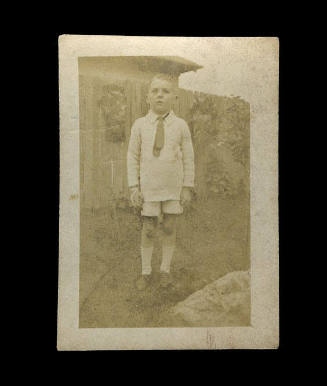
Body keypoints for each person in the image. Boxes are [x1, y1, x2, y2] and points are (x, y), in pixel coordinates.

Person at [127, 73, 194, 290]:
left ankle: (165, 270)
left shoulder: (181, 125)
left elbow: (189, 157)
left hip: (173, 187)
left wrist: (186, 187)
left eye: (165, 91)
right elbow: (132, 156)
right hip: (149, 188)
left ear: (174, 98)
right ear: (147, 97)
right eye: (155, 91)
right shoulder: (139, 125)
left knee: (169, 228)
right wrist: (134, 186)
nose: (160, 96)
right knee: (148, 228)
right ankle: (146, 271)